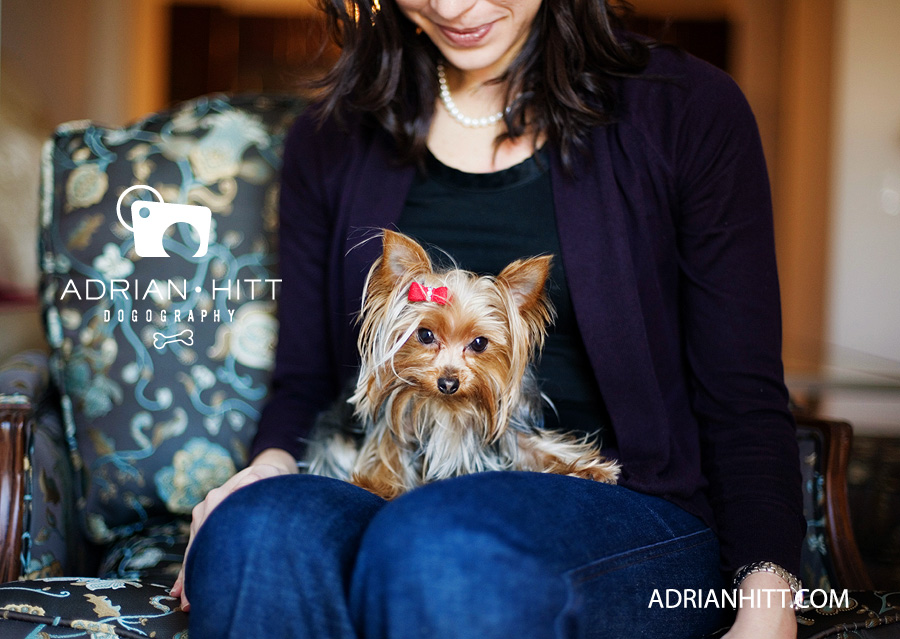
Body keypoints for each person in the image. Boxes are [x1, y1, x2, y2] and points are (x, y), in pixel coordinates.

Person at [170, 1, 806, 637]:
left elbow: (741, 395)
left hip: (624, 507)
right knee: (253, 532)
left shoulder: (686, 108)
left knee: (440, 544)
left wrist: (769, 601)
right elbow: (305, 382)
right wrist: (260, 474)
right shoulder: (331, 135)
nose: (451, 6)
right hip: (399, 479)